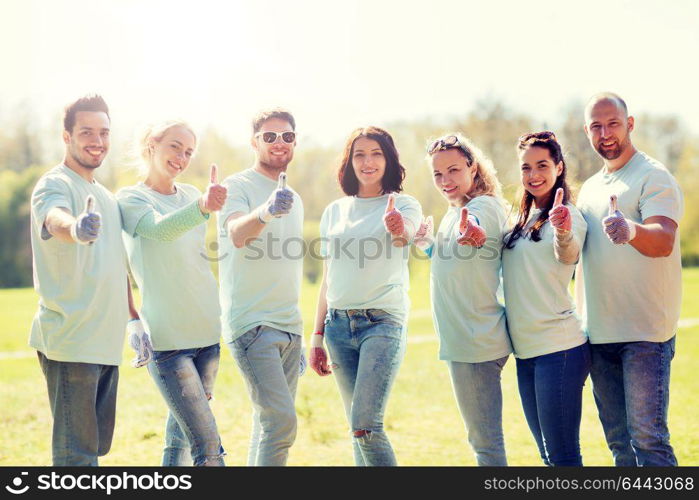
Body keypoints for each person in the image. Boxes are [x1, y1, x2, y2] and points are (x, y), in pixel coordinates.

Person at [577, 92, 683, 466]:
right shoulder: (588, 189)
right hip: (599, 335)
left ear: (630, 124)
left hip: (644, 335)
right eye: (596, 126)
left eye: (613, 124)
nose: (605, 133)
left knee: (648, 442)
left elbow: (664, 240)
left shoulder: (653, 175)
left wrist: (631, 231)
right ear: (586, 131)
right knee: (620, 446)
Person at [309, 126, 422, 466]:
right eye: (360, 154)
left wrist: (397, 228)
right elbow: (329, 276)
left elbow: (407, 237)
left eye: (376, 153)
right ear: (349, 162)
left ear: (388, 160)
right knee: (356, 429)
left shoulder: (403, 203)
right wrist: (316, 335)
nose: (368, 161)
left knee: (365, 427)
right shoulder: (334, 211)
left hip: (382, 323)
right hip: (338, 327)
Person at [116, 121, 227, 466]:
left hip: (207, 332)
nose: (182, 157)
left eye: (189, 152)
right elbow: (158, 231)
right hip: (167, 341)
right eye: (175, 146)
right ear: (152, 143)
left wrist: (202, 205)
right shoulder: (131, 199)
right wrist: (204, 208)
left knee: (179, 441)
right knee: (208, 447)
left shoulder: (193, 195)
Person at [29, 95, 131, 465]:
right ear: (67, 136)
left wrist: (134, 319)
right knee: (76, 457)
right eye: (86, 131)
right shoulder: (54, 183)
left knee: (93, 451)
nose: (97, 140)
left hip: (104, 342)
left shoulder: (105, 195)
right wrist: (75, 227)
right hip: (71, 341)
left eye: (104, 132)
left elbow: (116, 265)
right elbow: (54, 218)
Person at [417, 133, 511, 466]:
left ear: (473, 167)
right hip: (469, 339)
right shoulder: (457, 209)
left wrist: (475, 233)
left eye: (454, 170)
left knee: (485, 444)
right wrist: (426, 243)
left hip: (474, 343)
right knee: (483, 442)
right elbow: (457, 261)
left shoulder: (481, 207)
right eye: (438, 174)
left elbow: (476, 232)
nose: (445, 181)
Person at [218, 109, 304, 466]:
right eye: (269, 136)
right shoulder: (237, 186)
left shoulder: (295, 198)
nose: (278, 143)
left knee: (267, 427)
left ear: (295, 142)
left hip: (289, 327)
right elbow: (236, 233)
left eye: (286, 136)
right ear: (254, 142)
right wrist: (266, 211)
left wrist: (296, 333)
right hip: (252, 325)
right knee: (280, 423)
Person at [502, 131, 590, 466]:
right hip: (526, 353)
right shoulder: (519, 221)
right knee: (548, 457)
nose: (533, 174)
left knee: (563, 456)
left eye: (542, 165)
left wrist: (564, 231)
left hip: (560, 349)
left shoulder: (568, 215)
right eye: (526, 167)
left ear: (559, 167)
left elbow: (568, 255)